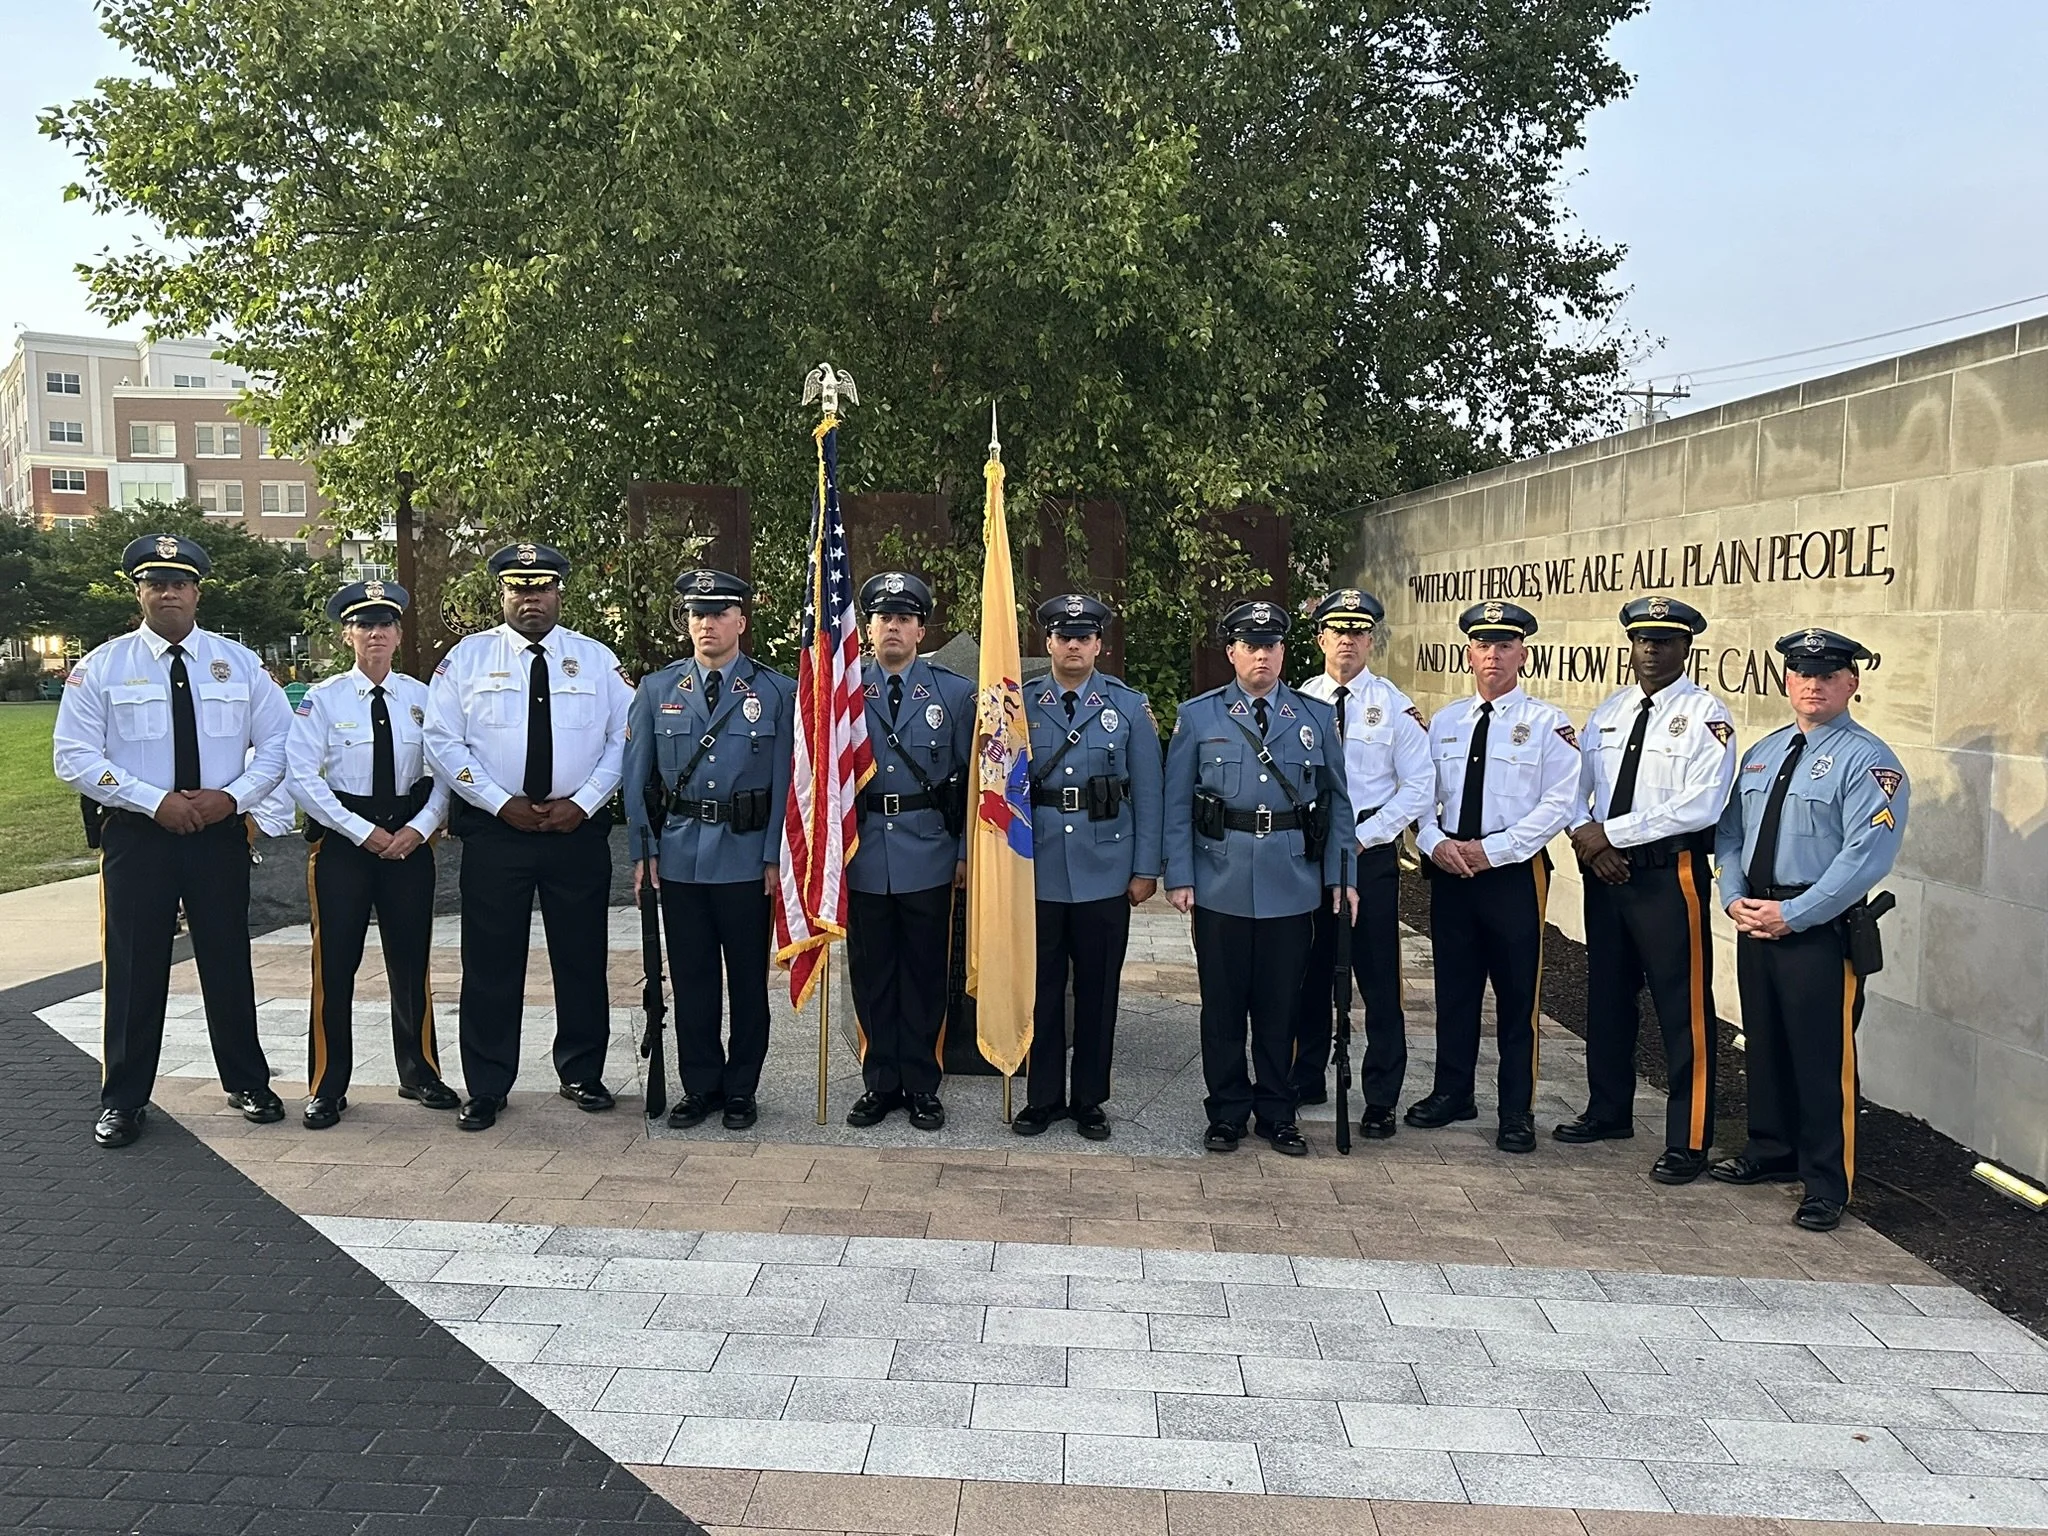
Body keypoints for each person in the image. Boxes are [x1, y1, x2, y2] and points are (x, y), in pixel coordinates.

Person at [53, 533, 293, 1147]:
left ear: (197, 591)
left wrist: (233, 798)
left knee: (227, 959)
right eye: (155, 582)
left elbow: (278, 745)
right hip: (139, 836)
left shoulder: (239, 665)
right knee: (134, 967)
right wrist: (150, 798)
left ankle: (247, 1082)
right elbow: (73, 756)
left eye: (179, 582)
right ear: (138, 590)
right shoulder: (102, 666)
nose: (168, 592)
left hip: (217, 835)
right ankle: (125, 1100)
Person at [423, 542, 632, 1132]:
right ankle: (487, 1085)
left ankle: (582, 1072)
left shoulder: (595, 660)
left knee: (582, 956)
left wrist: (585, 802)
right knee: (490, 961)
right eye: (519, 588)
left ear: (558, 592)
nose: (530, 599)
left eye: (541, 588)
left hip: (575, 832)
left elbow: (624, 738)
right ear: (503, 594)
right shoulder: (465, 659)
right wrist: (498, 802)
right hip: (497, 834)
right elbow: (442, 741)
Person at [1711, 627, 1908, 1231]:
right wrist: (1734, 897)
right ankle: (1771, 1151)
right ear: (1787, 681)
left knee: (1824, 1058)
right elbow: (1732, 834)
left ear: (1851, 683)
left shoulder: (1870, 761)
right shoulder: (1764, 753)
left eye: (1827, 675)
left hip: (1818, 929)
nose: (1813, 684)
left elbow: (1864, 859)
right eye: (1801, 673)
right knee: (1766, 1042)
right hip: (1756, 918)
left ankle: (1827, 1181)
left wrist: (1792, 915)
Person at [1164, 600, 1353, 1157]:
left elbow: (1337, 803)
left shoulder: (1315, 718)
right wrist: (1180, 873)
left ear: (1284, 652)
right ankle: (1225, 1112)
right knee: (1222, 1005)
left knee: (1280, 1006)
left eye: (1271, 645)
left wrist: (1343, 877)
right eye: (1250, 645)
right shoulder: (1200, 716)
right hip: (1220, 878)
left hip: (1291, 882)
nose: (1261, 655)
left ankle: (1277, 1109)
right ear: (1232, 652)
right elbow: (1176, 803)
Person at [1560, 597, 1737, 1181]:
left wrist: (1610, 835)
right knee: (1607, 996)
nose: (1652, 650)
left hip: (1667, 878)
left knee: (1682, 1008)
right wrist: (1592, 843)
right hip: (1605, 876)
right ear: (1630, 646)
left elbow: (1700, 804)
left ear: (1687, 648)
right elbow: (1573, 791)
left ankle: (1689, 1140)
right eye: (1642, 640)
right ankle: (1608, 1110)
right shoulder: (1608, 712)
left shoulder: (1708, 717)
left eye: (1664, 640)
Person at [623, 569, 795, 1131]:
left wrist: (775, 855)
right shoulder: (657, 689)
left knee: (747, 980)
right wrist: (642, 850)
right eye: (698, 615)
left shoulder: (776, 691)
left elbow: (789, 780)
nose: (707, 624)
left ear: (741, 622)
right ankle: (699, 1085)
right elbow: (637, 779)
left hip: (747, 857)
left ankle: (741, 1088)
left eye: (719, 614)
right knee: (692, 979)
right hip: (680, 856)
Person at [286, 579, 458, 1130]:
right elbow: (302, 776)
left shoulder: (424, 699)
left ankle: (419, 1071)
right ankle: (328, 1085)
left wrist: (422, 827)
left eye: (385, 623)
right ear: (347, 635)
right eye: (364, 624)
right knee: (334, 967)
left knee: (411, 964)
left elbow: (446, 772)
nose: (376, 633)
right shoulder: (323, 699)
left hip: (410, 841)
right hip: (344, 847)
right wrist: (361, 833)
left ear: (399, 634)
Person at [1410, 601, 1579, 1154]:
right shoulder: (1447, 722)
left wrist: (1496, 850)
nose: (1493, 656)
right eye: (1483, 646)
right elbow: (1422, 794)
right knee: (1454, 989)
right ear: (1469, 654)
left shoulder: (1549, 724)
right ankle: (1453, 1091)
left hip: (1512, 874)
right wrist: (1432, 842)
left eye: (1505, 646)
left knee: (1516, 995)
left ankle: (1516, 1110)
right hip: (1452, 870)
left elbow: (1560, 802)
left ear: (1523, 655)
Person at [1013, 593, 1163, 1141]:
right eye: (1062, 635)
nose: (1073, 644)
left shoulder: (1127, 706)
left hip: (1106, 864)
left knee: (1099, 989)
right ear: (1047, 643)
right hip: (1040, 867)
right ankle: (1043, 1095)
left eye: (1084, 636)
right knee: (1043, 985)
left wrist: (1146, 868)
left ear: (1100, 644)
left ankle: (1089, 1099)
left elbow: (1149, 792)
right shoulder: (1020, 706)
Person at [1288, 587, 1432, 1138]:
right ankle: (1306, 1076)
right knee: (1309, 970)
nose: (1347, 640)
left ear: (1371, 639)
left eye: (1358, 631)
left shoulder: (1393, 704)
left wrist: (1365, 837)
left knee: (1376, 979)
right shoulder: (1299, 700)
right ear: (1321, 637)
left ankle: (1380, 1096)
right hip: (1310, 851)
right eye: (1337, 631)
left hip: (1368, 855)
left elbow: (1419, 787)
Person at [843, 571, 976, 1132]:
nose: (892, 627)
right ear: (868, 629)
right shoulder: (843, 693)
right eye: (882, 618)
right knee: (872, 973)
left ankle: (922, 1082)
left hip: (929, 847)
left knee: (924, 972)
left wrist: (969, 852)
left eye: (904, 618)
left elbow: (977, 779)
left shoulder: (953, 693)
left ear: (921, 630)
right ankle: (880, 1081)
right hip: (863, 850)